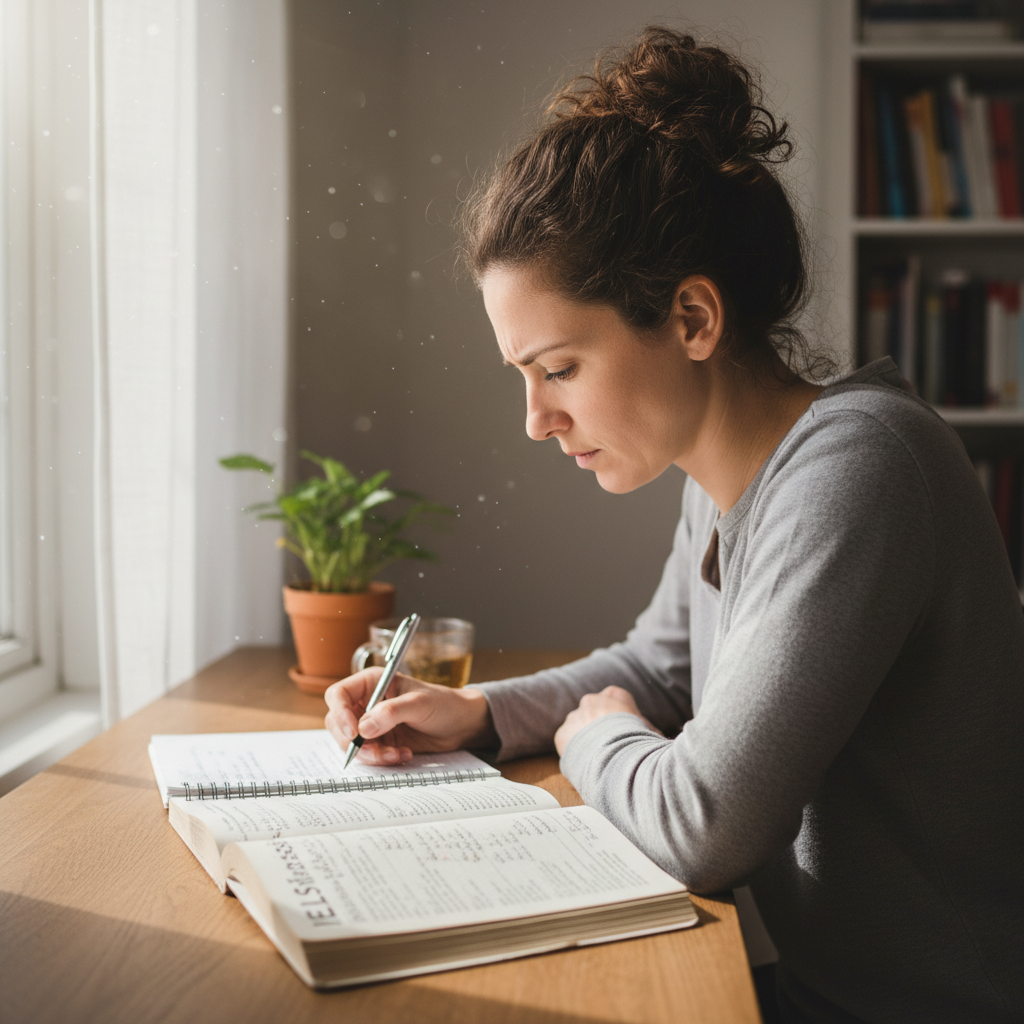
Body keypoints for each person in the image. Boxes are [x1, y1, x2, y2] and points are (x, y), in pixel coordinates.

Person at [324, 27, 1023, 1023]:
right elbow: (661, 669)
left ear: (693, 319)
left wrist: (593, 741)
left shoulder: (860, 470)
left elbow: (703, 824)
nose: (535, 420)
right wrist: (482, 718)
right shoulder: (728, 471)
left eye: (558, 367)